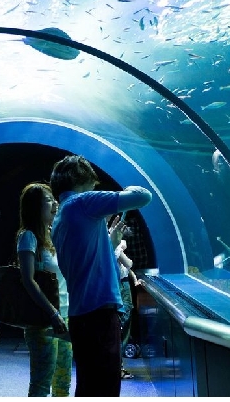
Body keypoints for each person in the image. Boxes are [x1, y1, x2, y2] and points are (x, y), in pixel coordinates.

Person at [49, 155, 152, 397]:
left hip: (80, 314)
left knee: (89, 385)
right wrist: (128, 189)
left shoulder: (60, 217)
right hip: (99, 313)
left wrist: (109, 241)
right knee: (105, 387)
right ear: (81, 180)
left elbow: (88, 262)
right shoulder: (83, 202)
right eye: (92, 184)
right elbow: (143, 197)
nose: (95, 188)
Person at [16, 182, 72, 397]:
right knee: (41, 382)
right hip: (43, 319)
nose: (55, 203)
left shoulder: (52, 233)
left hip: (65, 315)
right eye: (48, 200)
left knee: (63, 380)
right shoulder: (28, 236)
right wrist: (53, 313)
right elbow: (28, 280)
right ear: (35, 207)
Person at [110, 215, 139, 380]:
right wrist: (119, 246)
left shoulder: (112, 241)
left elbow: (127, 268)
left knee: (123, 320)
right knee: (122, 321)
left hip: (123, 283)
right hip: (119, 285)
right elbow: (127, 264)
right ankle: (117, 366)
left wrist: (134, 278)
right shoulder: (115, 244)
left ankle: (117, 365)